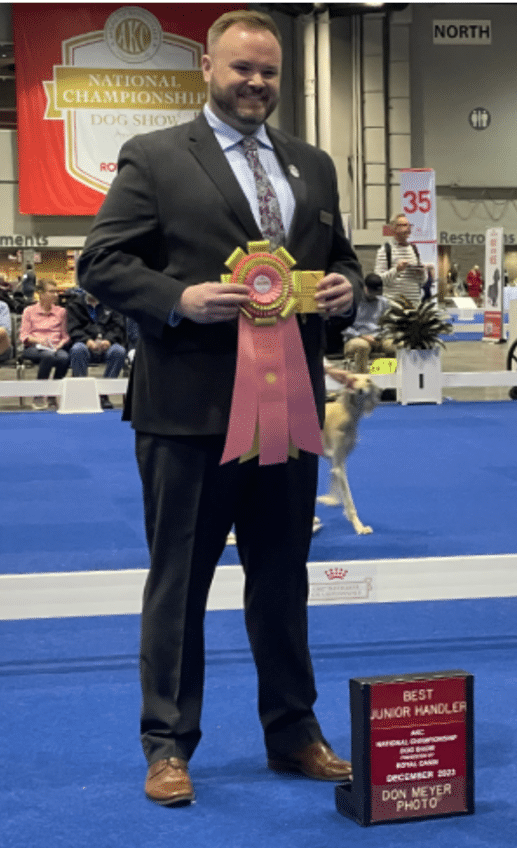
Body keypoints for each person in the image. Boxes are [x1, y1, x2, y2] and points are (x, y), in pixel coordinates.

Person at [76, 10, 363, 808]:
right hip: (187, 413)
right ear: (208, 68)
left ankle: (295, 732)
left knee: (283, 579)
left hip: (291, 409)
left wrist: (347, 290)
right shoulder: (158, 157)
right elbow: (101, 261)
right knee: (180, 584)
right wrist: (178, 298)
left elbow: (337, 261)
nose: (256, 84)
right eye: (242, 69)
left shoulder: (312, 166)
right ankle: (167, 744)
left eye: (269, 72)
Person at [66, 290, 128, 409]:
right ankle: (82, 394)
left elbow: (118, 326)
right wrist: (87, 341)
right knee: (77, 349)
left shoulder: (112, 304)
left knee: (119, 351)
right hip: (85, 345)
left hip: (107, 345)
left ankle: (103, 395)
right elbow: (73, 329)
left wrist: (109, 341)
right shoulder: (74, 305)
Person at [19, 278, 70, 409]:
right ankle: (39, 395)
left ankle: (53, 394)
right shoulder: (29, 311)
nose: (55, 295)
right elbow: (24, 336)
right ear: (40, 294)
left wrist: (60, 344)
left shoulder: (61, 312)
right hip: (34, 348)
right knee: (48, 356)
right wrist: (39, 340)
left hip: (55, 347)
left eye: (56, 291)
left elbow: (65, 335)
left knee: (64, 357)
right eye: (51, 292)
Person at [342, 273, 395, 373]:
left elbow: (389, 323)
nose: (374, 295)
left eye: (377, 292)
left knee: (397, 345)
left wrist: (382, 335)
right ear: (365, 288)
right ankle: (362, 380)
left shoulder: (383, 302)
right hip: (357, 337)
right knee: (362, 346)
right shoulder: (353, 301)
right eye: (372, 292)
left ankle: (386, 378)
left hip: (379, 337)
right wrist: (362, 336)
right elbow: (343, 327)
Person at [375, 212, 431, 304]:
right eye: (404, 225)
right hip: (393, 307)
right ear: (394, 228)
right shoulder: (385, 250)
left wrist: (422, 273)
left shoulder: (414, 249)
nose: (408, 228)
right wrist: (397, 270)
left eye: (409, 225)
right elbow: (379, 281)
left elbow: (423, 281)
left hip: (414, 306)